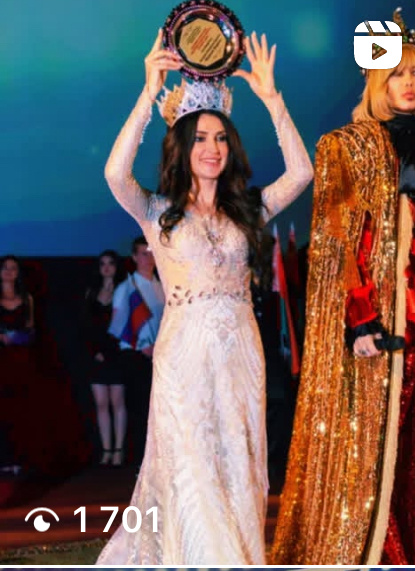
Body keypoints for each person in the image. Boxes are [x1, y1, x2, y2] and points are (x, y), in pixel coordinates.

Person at [97, 29, 312, 565]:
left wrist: (273, 100)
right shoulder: (157, 213)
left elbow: (302, 173)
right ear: (182, 146)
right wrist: (148, 93)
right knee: (190, 463)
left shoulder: (250, 210)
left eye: (219, 138)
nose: (211, 148)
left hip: (241, 353)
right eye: (199, 138)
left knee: (237, 462)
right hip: (183, 354)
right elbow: (115, 174)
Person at [271, 22, 415, 566]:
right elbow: (336, 243)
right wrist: (361, 318)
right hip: (385, 326)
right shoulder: (347, 147)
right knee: (376, 447)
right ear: (377, 80)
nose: (409, 83)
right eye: (397, 73)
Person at [108, 236, 164, 467]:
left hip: (160, 356)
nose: (148, 258)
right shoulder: (126, 288)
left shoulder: (163, 286)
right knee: (140, 410)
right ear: (133, 257)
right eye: (143, 254)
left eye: (151, 253)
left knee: (159, 411)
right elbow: (118, 326)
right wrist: (141, 346)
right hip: (135, 355)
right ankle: (140, 462)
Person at [82, 249, 125, 466]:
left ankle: (119, 450)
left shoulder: (124, 290)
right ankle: (106, 450)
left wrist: (108, 350)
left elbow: (126, 324)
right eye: (103, 264)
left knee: (117, 402)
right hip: (96, 355)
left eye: (111, 263)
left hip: (117, 353)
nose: (106, 268)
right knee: (101, 403)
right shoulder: (91, 292)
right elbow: (86, 326)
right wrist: (94, 351)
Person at [0, 255, 35, 472]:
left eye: (13, 268)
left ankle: (19, 459)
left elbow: (31, 329)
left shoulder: (27, 298)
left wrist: (18, 337)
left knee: (20, 409)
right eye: (4, 268)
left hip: (21, 359)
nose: (8, 272)